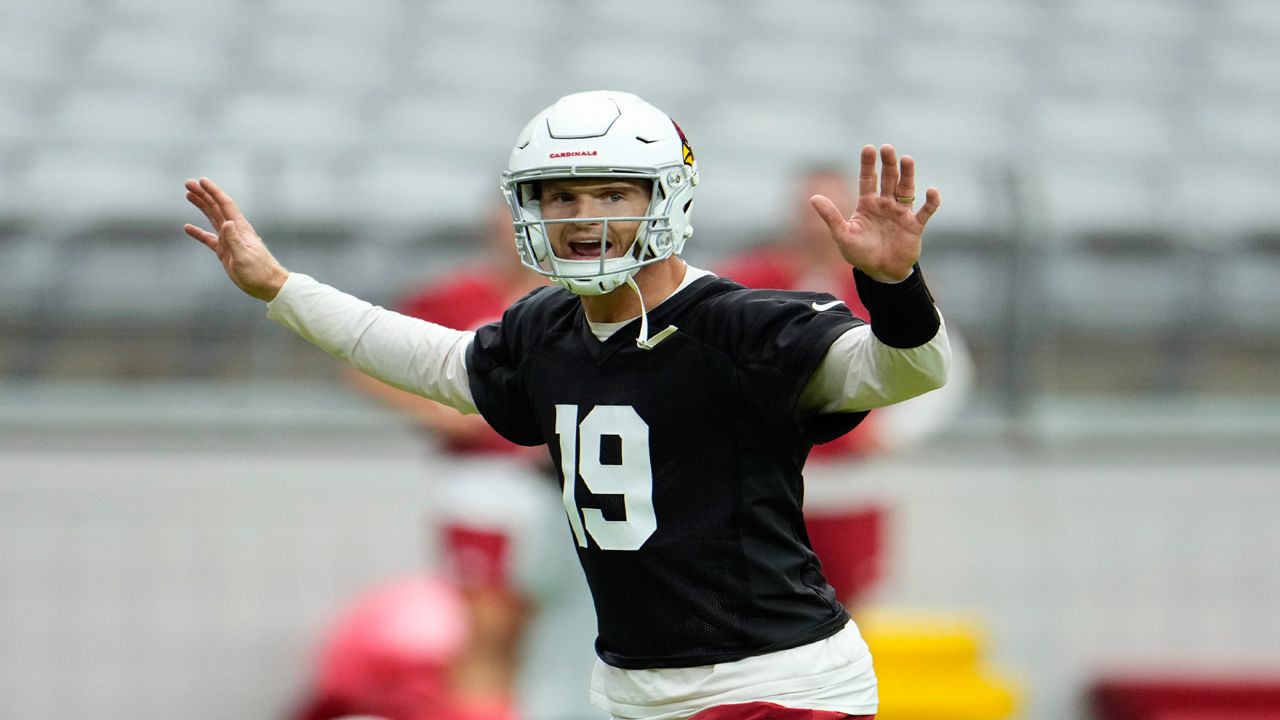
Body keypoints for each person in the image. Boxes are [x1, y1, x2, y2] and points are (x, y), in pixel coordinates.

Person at [183, 90, 951, 720]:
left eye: (611, 192)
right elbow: (432, 359)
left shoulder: (744, 323)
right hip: (633, 686)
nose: (583, 215)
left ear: (667, 198)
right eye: (561, 195)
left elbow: (907, 372)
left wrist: (893, 286)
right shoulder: (547, 326)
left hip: (771, 683)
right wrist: (282, 290)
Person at [342, 202, 601, 720]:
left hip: (572, 489)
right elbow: (366, 359)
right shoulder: (457, 296)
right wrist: (444, 414)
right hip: (483, 488)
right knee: (489, 631)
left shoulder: (588, 300)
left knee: (562, 634)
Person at [717, 165, 974, 607]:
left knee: (846, 612)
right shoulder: (742, 281)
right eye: (810, 211)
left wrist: (889, 432)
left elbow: (944, 365)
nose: (818, 227)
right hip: (757, 489)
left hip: (852, 490)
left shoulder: (885, 283)